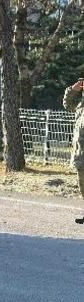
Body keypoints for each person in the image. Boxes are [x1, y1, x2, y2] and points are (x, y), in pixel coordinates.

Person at [62, 78, 84, 225]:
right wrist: (73, 90)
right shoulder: (81, 105)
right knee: (82, 185)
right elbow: (68, 104)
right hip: (81, 155)